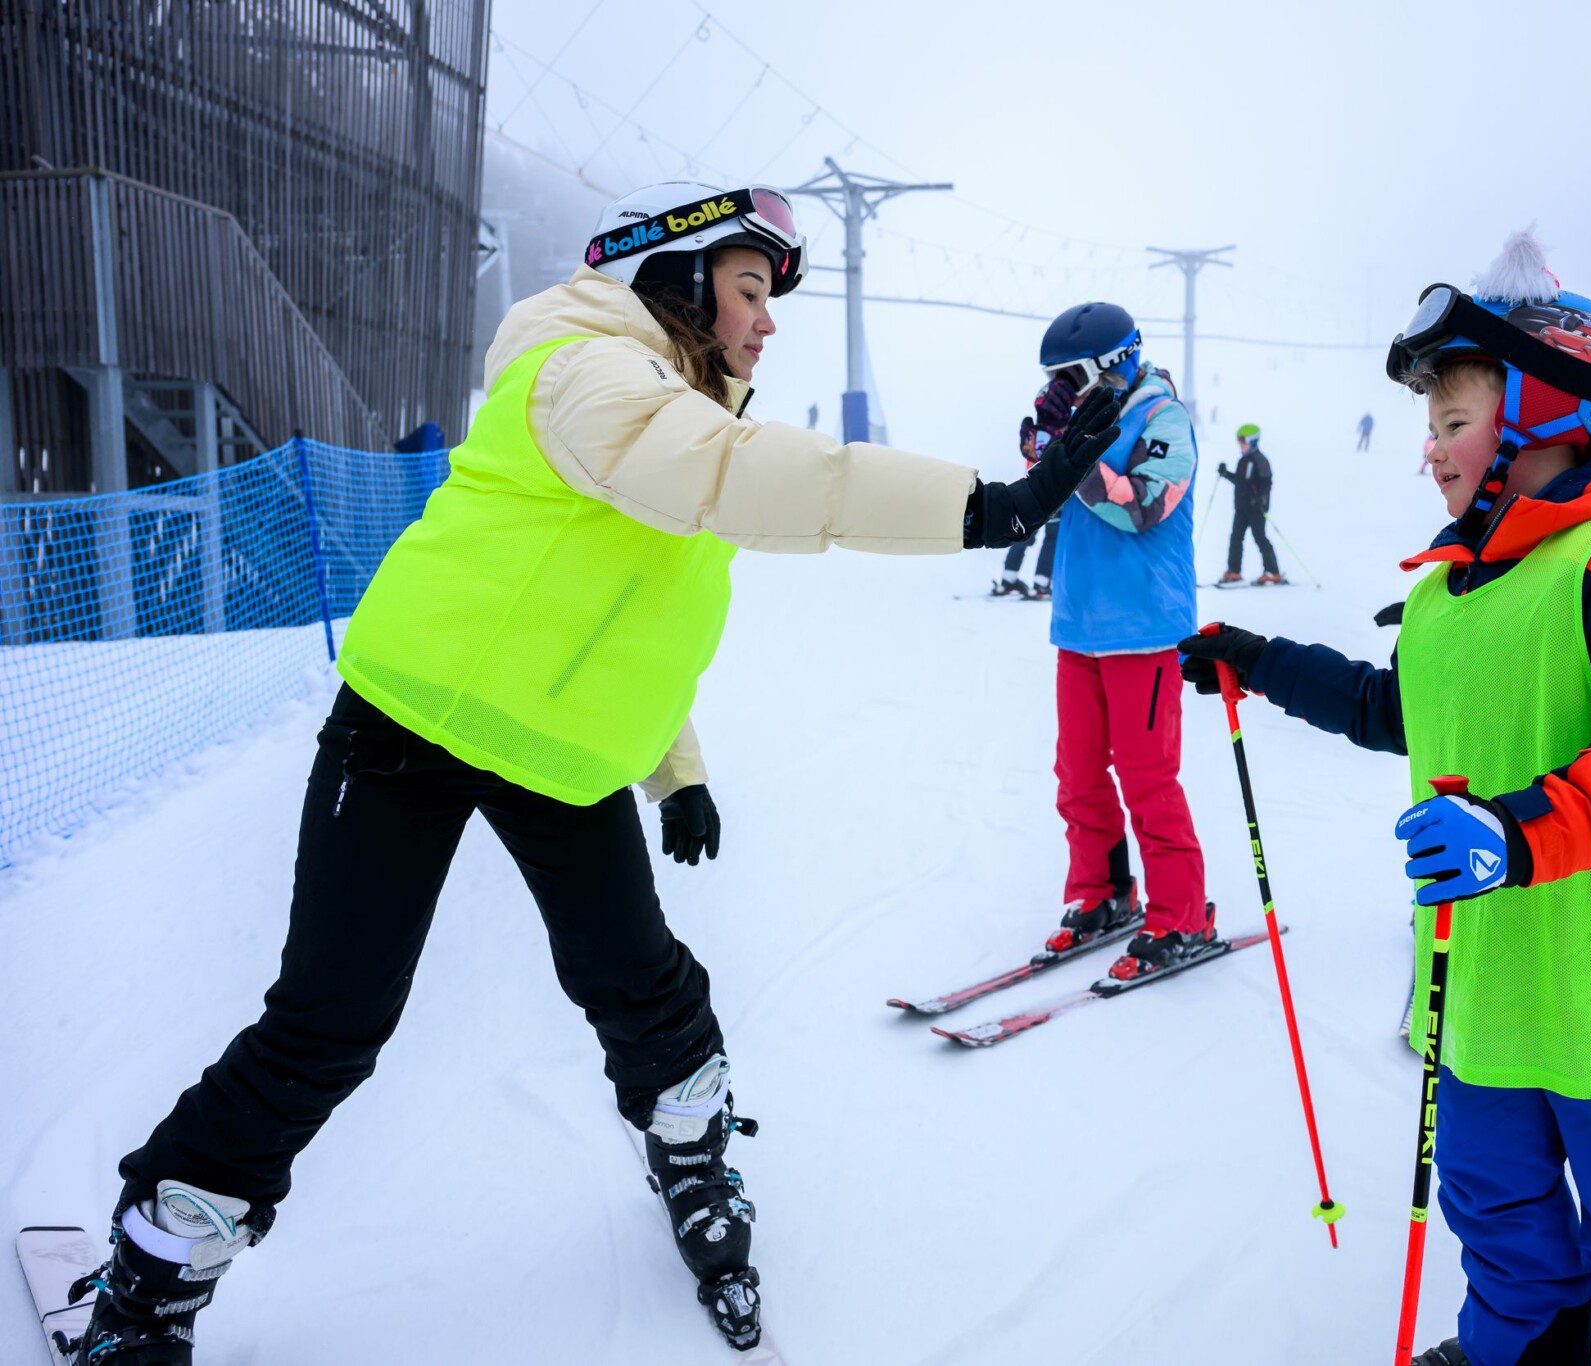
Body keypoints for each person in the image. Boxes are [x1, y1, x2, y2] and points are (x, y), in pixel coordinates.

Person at [66, 180, 1120, 1364]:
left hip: (555, 753)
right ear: (670, 275)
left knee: (641, 982)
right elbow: (739, 475)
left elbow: (623, 615)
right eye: (748, 288)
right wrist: (988, 505)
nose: (765, 321)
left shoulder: (669, 408)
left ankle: (691, 1154)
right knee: (331, 1018)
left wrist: (678, 769)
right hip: (414, 720)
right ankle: (152, 1274)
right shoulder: (585, 368)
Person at [1180, 233, 1591, 1365]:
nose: (1430, 450)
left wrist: (1518, 830)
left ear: (1548, 412)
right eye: (1430, 425)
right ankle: (1522, 1347)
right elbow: (1397, 710)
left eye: (1453, 421)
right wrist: (1258, 659)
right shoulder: (1451, 586)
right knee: (1495, 1208)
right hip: (1485, 984)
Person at [1036, 301, 1212, 982]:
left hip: (1143, 630)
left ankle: (1181, 915)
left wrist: (1068, 450)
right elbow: (1043, 494)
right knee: (1078, 775)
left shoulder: (1162, 418)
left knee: (1147, 779)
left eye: (1072, 378)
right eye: (1056, 381)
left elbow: (1140, 506)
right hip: (1080, 626)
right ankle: (1103, 893)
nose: (1066, 391)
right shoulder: (1086, 418)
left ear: (1114, 365)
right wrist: (1044, 443)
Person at [992, 372, 1077, 599]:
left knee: (1025, 533)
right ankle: (1041, 584)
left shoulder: (1035, 430)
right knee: (1052, 537)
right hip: (1054, 492)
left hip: (1031, 486)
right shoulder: (1064, 429)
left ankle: (1007, 579)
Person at [1215, 423, 1283, 585]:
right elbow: (1241, 482)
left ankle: (1273, 572)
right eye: (1239, 441)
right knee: (1236, 538)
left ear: (1252, 441)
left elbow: (1266, 483)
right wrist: (1225, 474)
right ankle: (1234, 571)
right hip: (1241, 507)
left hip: (1255, 508)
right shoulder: (1244, 460)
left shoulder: (1260, 460)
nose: (1240, 444)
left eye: (1243, 441)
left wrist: (1260, 499)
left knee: (1260, 538)